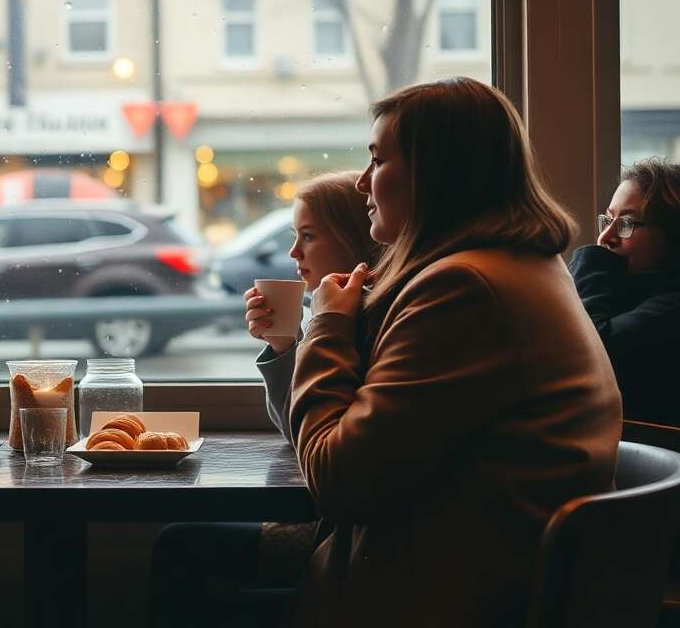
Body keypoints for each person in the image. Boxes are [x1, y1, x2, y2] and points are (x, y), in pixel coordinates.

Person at [280, 78, 621, 626]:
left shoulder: (465, 289)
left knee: (191, 555)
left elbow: (337, 481)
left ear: (437, 174)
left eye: (378, 160)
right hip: (485, 568)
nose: (364, 184)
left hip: (442, 594)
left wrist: (325, 327)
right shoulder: (522, 265)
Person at [151, 172, 379, 628]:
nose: (293, 253)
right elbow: (302, 430)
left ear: (356, 238)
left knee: (179, 546)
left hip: (345, 532)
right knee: (180, 543)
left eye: (308, 237)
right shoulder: (328, 311)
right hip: (339, 524)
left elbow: (318, 445)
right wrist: (282, 346)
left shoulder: (363, 317)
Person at [570, 159, 680, 430]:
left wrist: (591, 264)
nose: (605, 237)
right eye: (608, 220)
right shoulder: (649, 294)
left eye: (626, 223)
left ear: (678, 233)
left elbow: (587, 357)